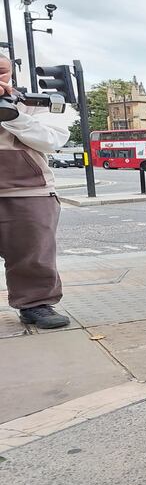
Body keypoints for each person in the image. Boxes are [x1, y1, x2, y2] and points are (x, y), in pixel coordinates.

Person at [0, 54, 71, 328]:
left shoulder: (34, 102)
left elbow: (53, 140)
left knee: (33, 252)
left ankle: (35, 304)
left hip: (28, 190)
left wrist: (11, 114)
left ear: (12, 73)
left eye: (2, 71)